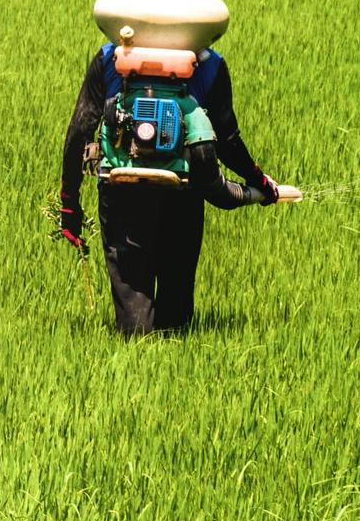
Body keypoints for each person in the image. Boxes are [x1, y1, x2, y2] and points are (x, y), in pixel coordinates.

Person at [57, 42, 279, 336]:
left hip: (122, 187)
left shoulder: (110, 57)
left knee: (133, 306)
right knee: (176, 295)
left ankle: (137, 363)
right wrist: (260, 183)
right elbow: (227, 140)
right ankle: (171, 359)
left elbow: (78, 135)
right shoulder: (209, 63)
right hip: (184, 189)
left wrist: (69, 204)